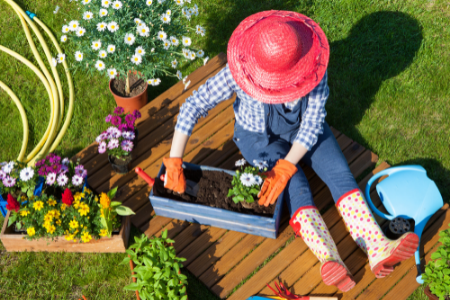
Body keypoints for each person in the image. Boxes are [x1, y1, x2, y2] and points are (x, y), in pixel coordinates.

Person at [162, 10, 419, 292]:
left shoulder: (313, 69)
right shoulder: (241, 71)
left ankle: (378, 246)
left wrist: (286, 166)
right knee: (296, 186)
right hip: (257, 139)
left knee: (339, 174)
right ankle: (329, 258)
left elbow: (311, 124)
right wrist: (175, 160)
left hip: (304, 133)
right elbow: (194, 106)